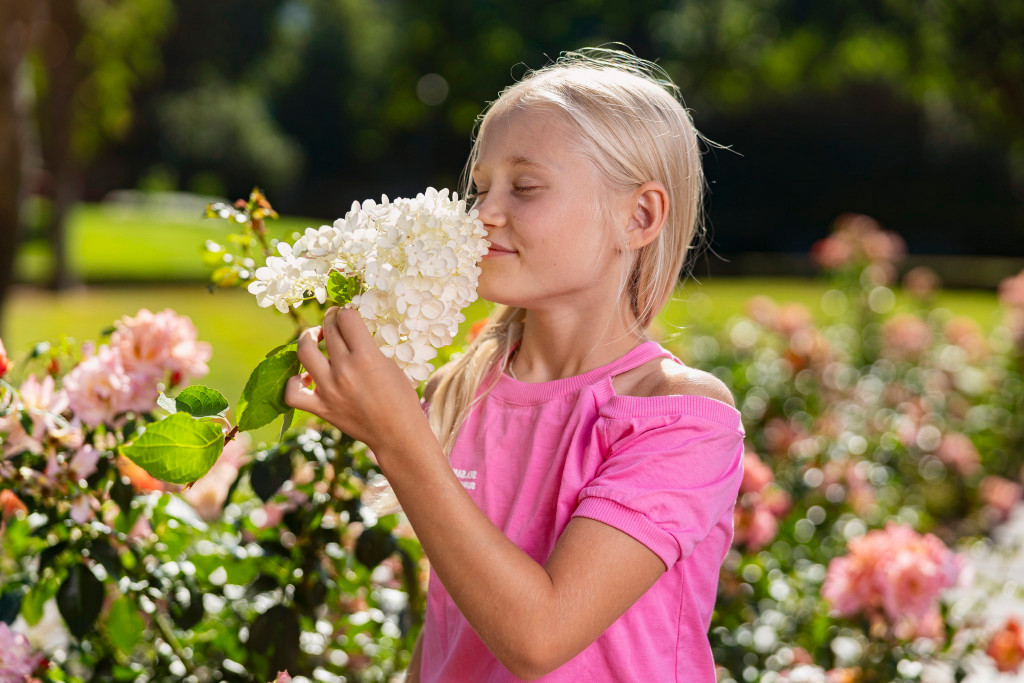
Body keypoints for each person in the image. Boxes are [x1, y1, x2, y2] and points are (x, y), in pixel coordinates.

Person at [285, 48, 745, 682]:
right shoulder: (459, 391)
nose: (484, 214)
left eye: (524, 188)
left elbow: (539, 637)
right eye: (479, 188)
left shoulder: (677, 421)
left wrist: (397, 438)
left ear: (640, 216)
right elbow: (452, 627)